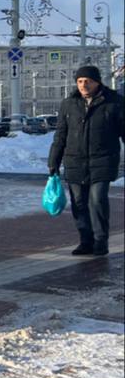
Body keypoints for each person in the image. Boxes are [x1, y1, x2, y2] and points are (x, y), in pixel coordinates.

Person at [48, 65, 124, 256]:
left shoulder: (115, 102)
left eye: (87, 81)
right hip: (74, 161)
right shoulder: (69, 104)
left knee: (97, 200)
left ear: (97, 82)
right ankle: (85, 241)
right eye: (80, 81)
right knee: (79, 203)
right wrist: (53, 162)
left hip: (103, 160)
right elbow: (60, 135)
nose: (83, 85)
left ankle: (100, 241)